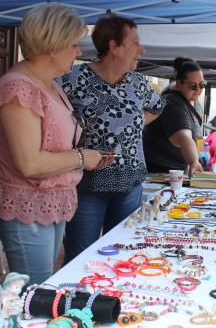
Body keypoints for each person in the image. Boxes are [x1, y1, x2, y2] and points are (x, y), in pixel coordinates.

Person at [0, 3, 112, 284]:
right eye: (73, 44)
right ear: (53, 46)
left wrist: (85, 156)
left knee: (40, 286)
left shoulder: (48, 83)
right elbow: (29, 163)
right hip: (26, 204)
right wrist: (81, 158)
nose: (78, 52)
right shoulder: (19, 87)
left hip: (50, 203)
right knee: (35, 289)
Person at [61, 15, 165, 264]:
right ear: (113, 46)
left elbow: (158, 107)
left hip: (130, 184)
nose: (142, 50)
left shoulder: (138, 83)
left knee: (121, 254)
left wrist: (133, 123)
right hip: (88, 186)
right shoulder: (74, 78)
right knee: (80, 257)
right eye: (135, 43)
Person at [143, 57, 205, 177]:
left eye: (202, 84)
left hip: (177, 169)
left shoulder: (191, 99)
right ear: (179, 83)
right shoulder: (172, 103)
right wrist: (193, 161)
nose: (198, 89)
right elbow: (184, 137)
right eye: (193, 86)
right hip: (159, 170)